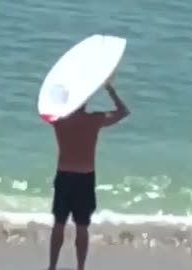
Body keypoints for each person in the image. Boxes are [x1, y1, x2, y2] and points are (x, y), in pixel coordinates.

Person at [46, 77, 130, 270]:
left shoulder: (60, 122)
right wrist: (110, 89)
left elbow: (46, 109)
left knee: (59, 223)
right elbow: (123, 112)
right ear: (84, 103)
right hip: (85, 178)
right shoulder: (94, 120)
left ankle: (52, 267)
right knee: (82, 226)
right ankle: (81, 268)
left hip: (64, 176)